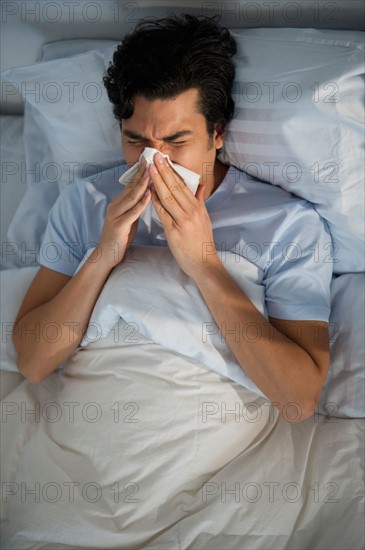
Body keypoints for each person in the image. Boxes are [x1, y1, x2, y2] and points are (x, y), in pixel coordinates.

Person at [12, 14, 332, 422]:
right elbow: (33, 363)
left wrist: (204, 264)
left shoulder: (286, 224)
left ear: (217, 135)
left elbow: (298, 399)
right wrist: (102, 257)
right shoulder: (86, 201)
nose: (154, 161)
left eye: (177, 141)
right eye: (136, 141)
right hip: (95, 413)